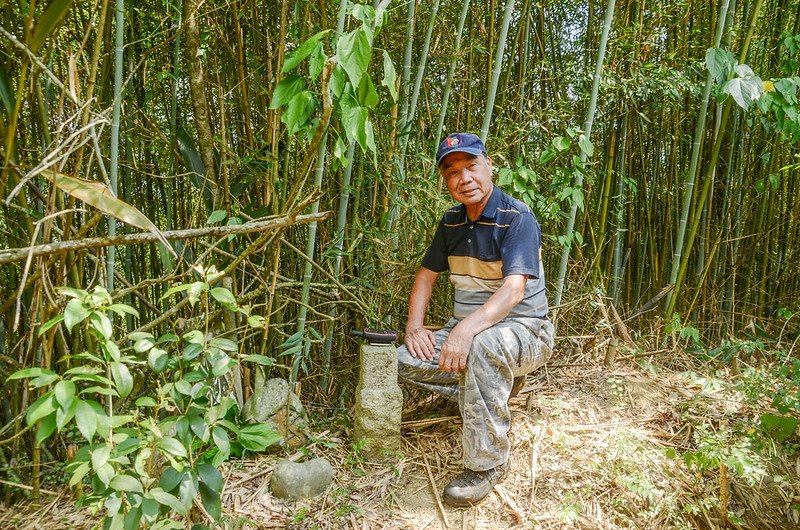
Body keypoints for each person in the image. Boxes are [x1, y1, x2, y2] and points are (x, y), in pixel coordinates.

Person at [397, 132, 555, 507]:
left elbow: (514, 290)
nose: (464, 178)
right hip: (468, 331)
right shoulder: (451, 222)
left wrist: (465, 330)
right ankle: (490, 388)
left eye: (471, 166)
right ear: (445, 182)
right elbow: (425, 276)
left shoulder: (517, 217)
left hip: (526, 331)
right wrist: (415, 328)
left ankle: (488, 464)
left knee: (482, 347)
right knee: (399, 360)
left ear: (489, 165)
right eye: (452, 172)